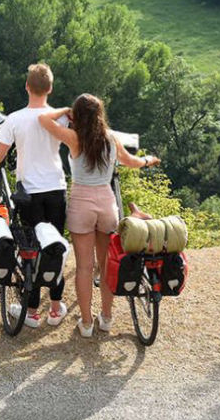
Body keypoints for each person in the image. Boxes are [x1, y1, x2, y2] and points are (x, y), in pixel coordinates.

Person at [37, 94, 160, 338]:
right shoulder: (111, 139)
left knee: (84, 267)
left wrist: (63, 110)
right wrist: (148, 161)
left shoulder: (74, 138)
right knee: (105, 266)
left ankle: (86, 323)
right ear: (100, 115)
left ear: (78, 115)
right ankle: (106, 318)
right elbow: (131, 161)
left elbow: (43, 119)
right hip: (106, 204)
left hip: (81, 204)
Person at [0, 63, 74, 328]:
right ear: (50, 88)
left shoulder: (14, 119)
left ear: (27, 86)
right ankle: (56, 307)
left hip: (30, 195)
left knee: (32, 251)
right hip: (57, 190)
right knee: (54, 248)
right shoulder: (60, 117)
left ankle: (33, 312)